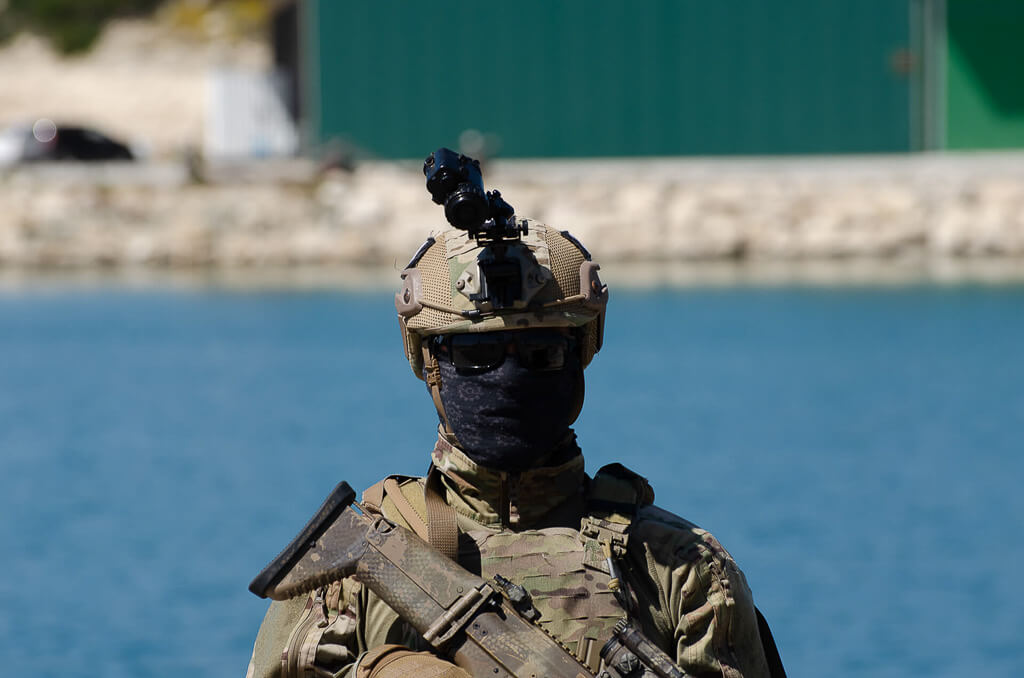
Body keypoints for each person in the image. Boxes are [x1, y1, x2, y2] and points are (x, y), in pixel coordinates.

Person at [247, 187, 782, 678]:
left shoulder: (680, 569)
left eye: (540, 355)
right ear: (430, 364)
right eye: (475, 356)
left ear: (580, 358)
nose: (508, 380)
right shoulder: (348, 573)